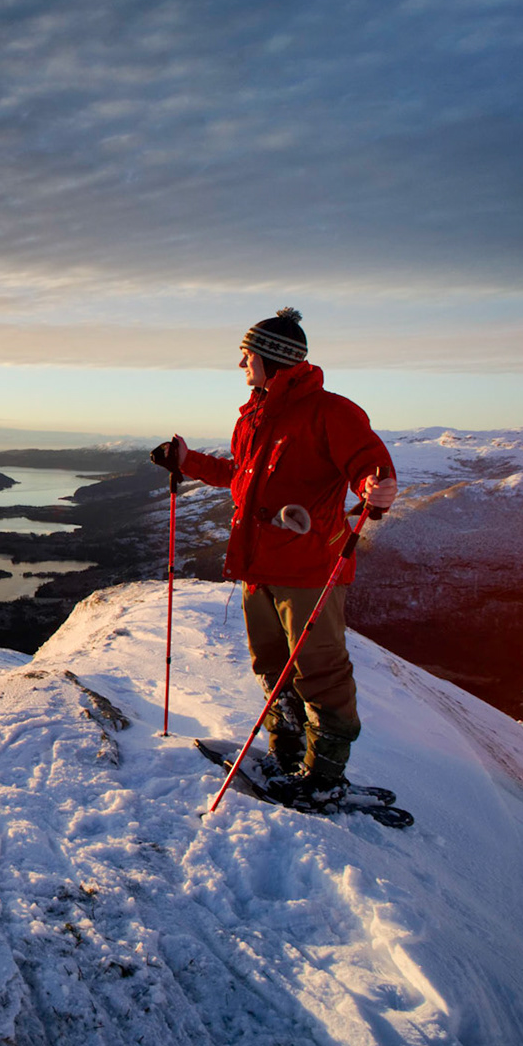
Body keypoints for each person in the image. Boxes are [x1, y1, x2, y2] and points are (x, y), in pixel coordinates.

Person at [150, 308, 399, 810]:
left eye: (247, 355)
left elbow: (368, 465)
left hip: (307, 569)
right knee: (271, 664)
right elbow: (240, 475)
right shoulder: (256, 414)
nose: (240, 363)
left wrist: (377, 486)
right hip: (256, 565)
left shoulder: (330, 411)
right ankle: (285, 758)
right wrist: (187, 462)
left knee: (320, 669)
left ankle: (323, 775)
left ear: (271, 359)